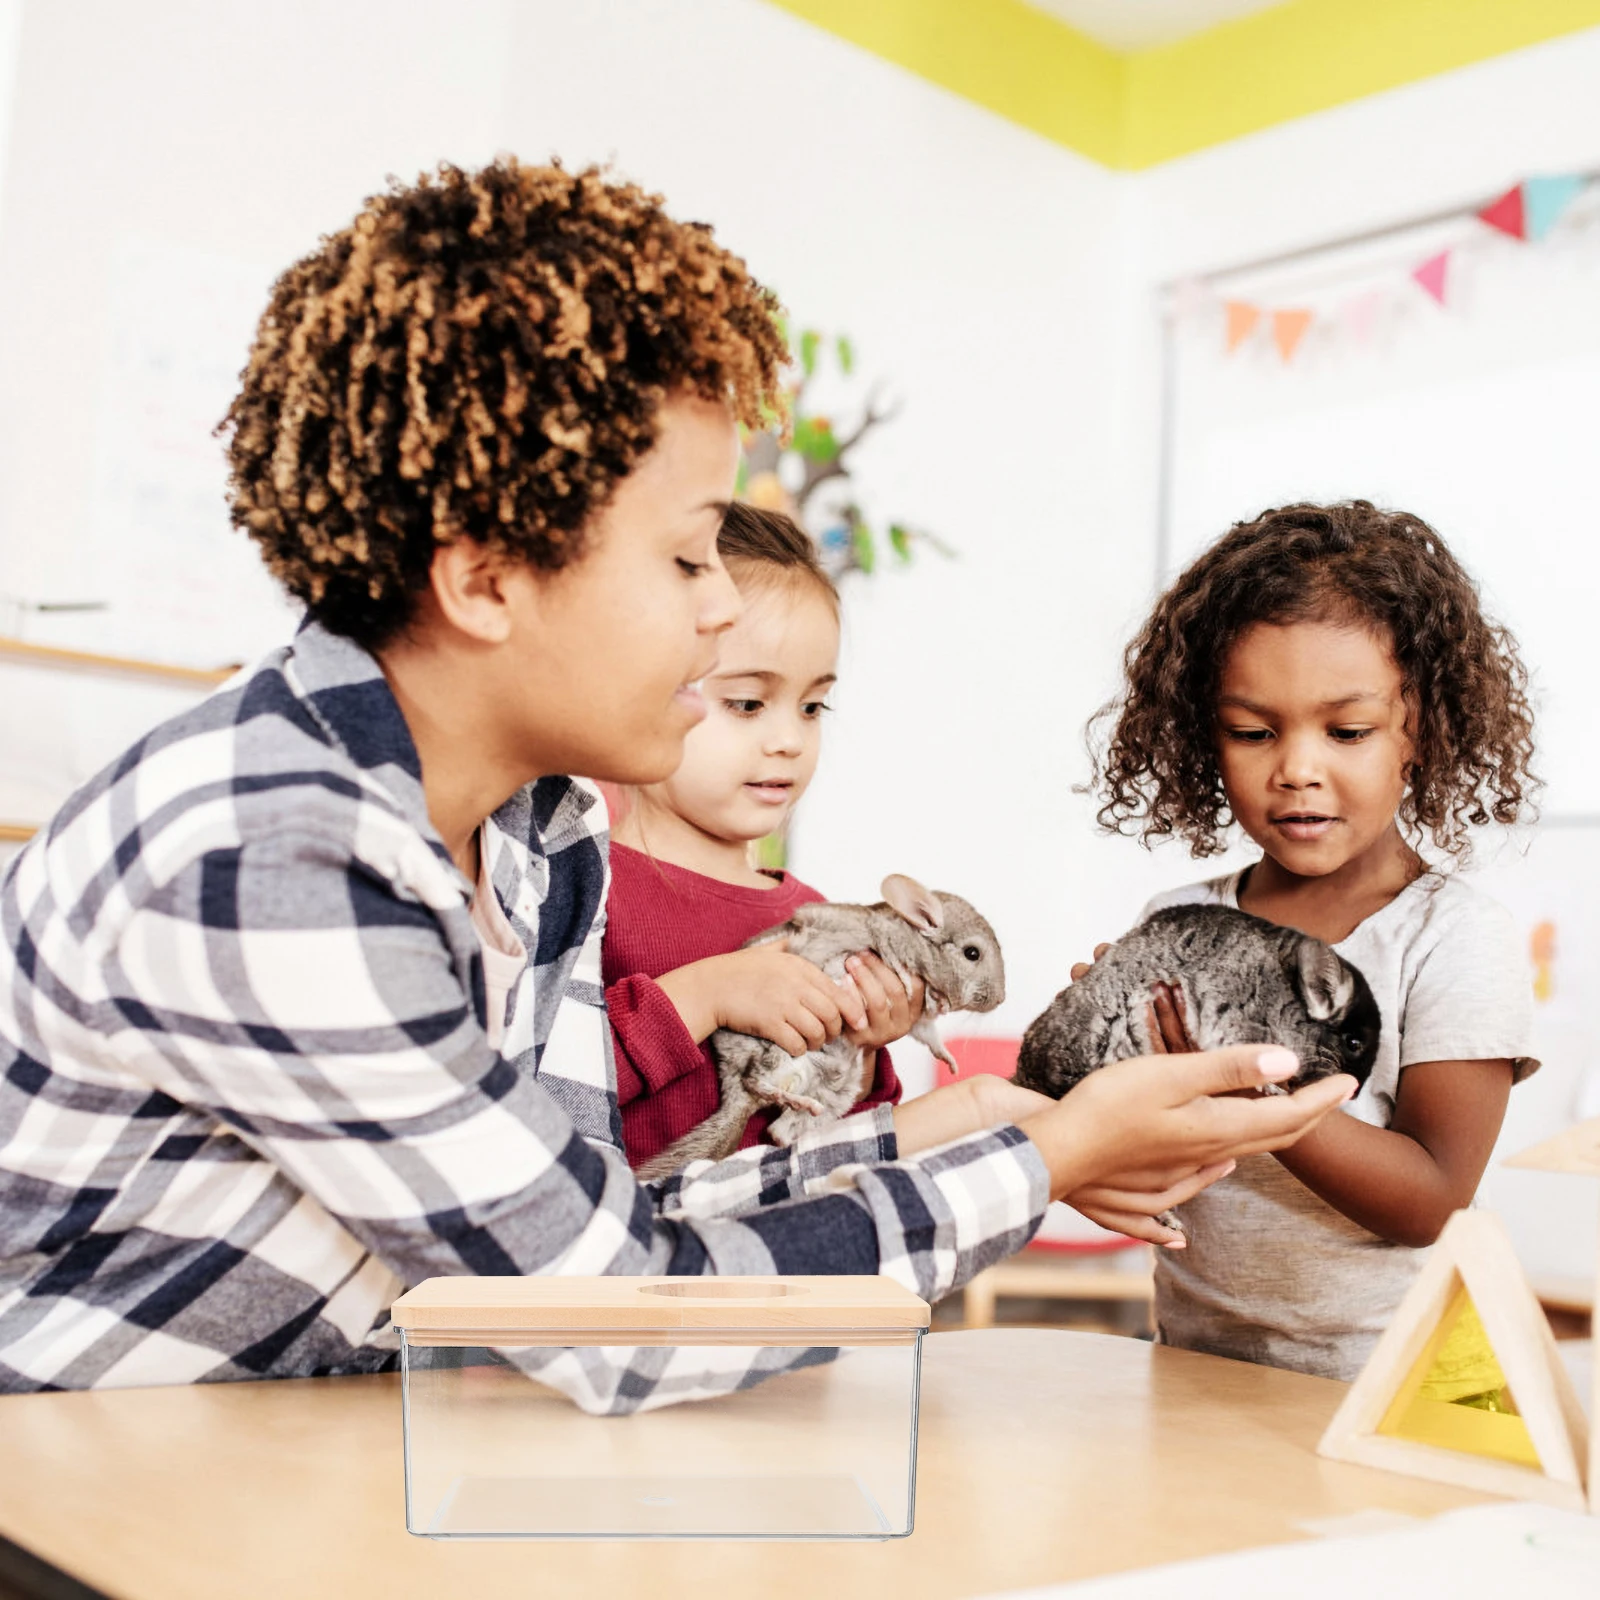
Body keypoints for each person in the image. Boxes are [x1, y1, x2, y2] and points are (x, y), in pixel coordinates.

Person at [0, 159, 1351, 1406]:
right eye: (690, 556)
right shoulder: (273, 859)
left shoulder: (535, 835)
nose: (720, 616)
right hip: (73, 1501)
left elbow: (618, 1223)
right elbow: (615, 1319)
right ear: (485, 577)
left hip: (281, 1470)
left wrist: (986, 1124)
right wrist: (1047, 1162)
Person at [1087, 499, 1539, 1381]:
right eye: (1253, 731)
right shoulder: (1178, 924)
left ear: (1423, 731)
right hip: (1200, 1369)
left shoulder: (1452, 938)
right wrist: (1109, 1055)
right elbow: (1138, 1144)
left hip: (1397, 1393)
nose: (1296, 768)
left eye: (1347, 732)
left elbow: (1432, 1200)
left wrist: (1255, 1092)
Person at [605, 502, 909, 1171]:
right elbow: (545, 1090)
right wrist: (708, 995)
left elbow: (846, 1154)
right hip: (627, 1267)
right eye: (747, 703)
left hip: (778, 1267)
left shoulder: (812, 917)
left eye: (812, 706)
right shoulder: (582, 889)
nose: (789, 740)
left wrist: (866, 1049)